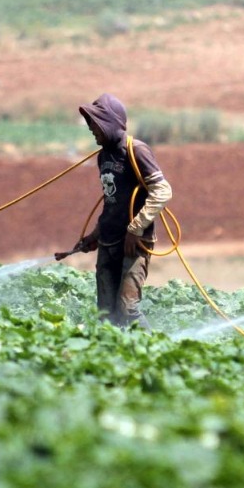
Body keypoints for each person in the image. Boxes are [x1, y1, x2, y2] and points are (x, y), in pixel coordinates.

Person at [56, 93, 172, 328]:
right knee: (106, 314)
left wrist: (136, 228)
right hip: (108, 242)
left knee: (128, 309)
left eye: (95, 123)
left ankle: (157, 350)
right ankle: (113, 355)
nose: (91, 129)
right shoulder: (103, 157)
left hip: (133, 242)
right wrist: (95, 236)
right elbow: (112, 202)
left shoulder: (136, 150)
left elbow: (162, 191)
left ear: (109, 123)